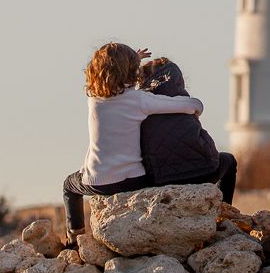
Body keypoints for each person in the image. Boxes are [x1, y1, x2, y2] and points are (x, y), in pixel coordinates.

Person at [62, 42, 203, 246]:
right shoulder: (139, 100)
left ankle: (75, 238)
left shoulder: (94, 100)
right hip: (135, 180)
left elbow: (114, 81)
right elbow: (192, 105)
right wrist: (195, 109)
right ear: (131, 73)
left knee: (69, 186)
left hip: (98, 182)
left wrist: (129, 60)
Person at [140, 57, 237, 205]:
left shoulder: (139, 107)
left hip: (160, 179)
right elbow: (209, 150)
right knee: (229, 160)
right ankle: (225, 212)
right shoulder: (187, 105)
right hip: (202, 174)